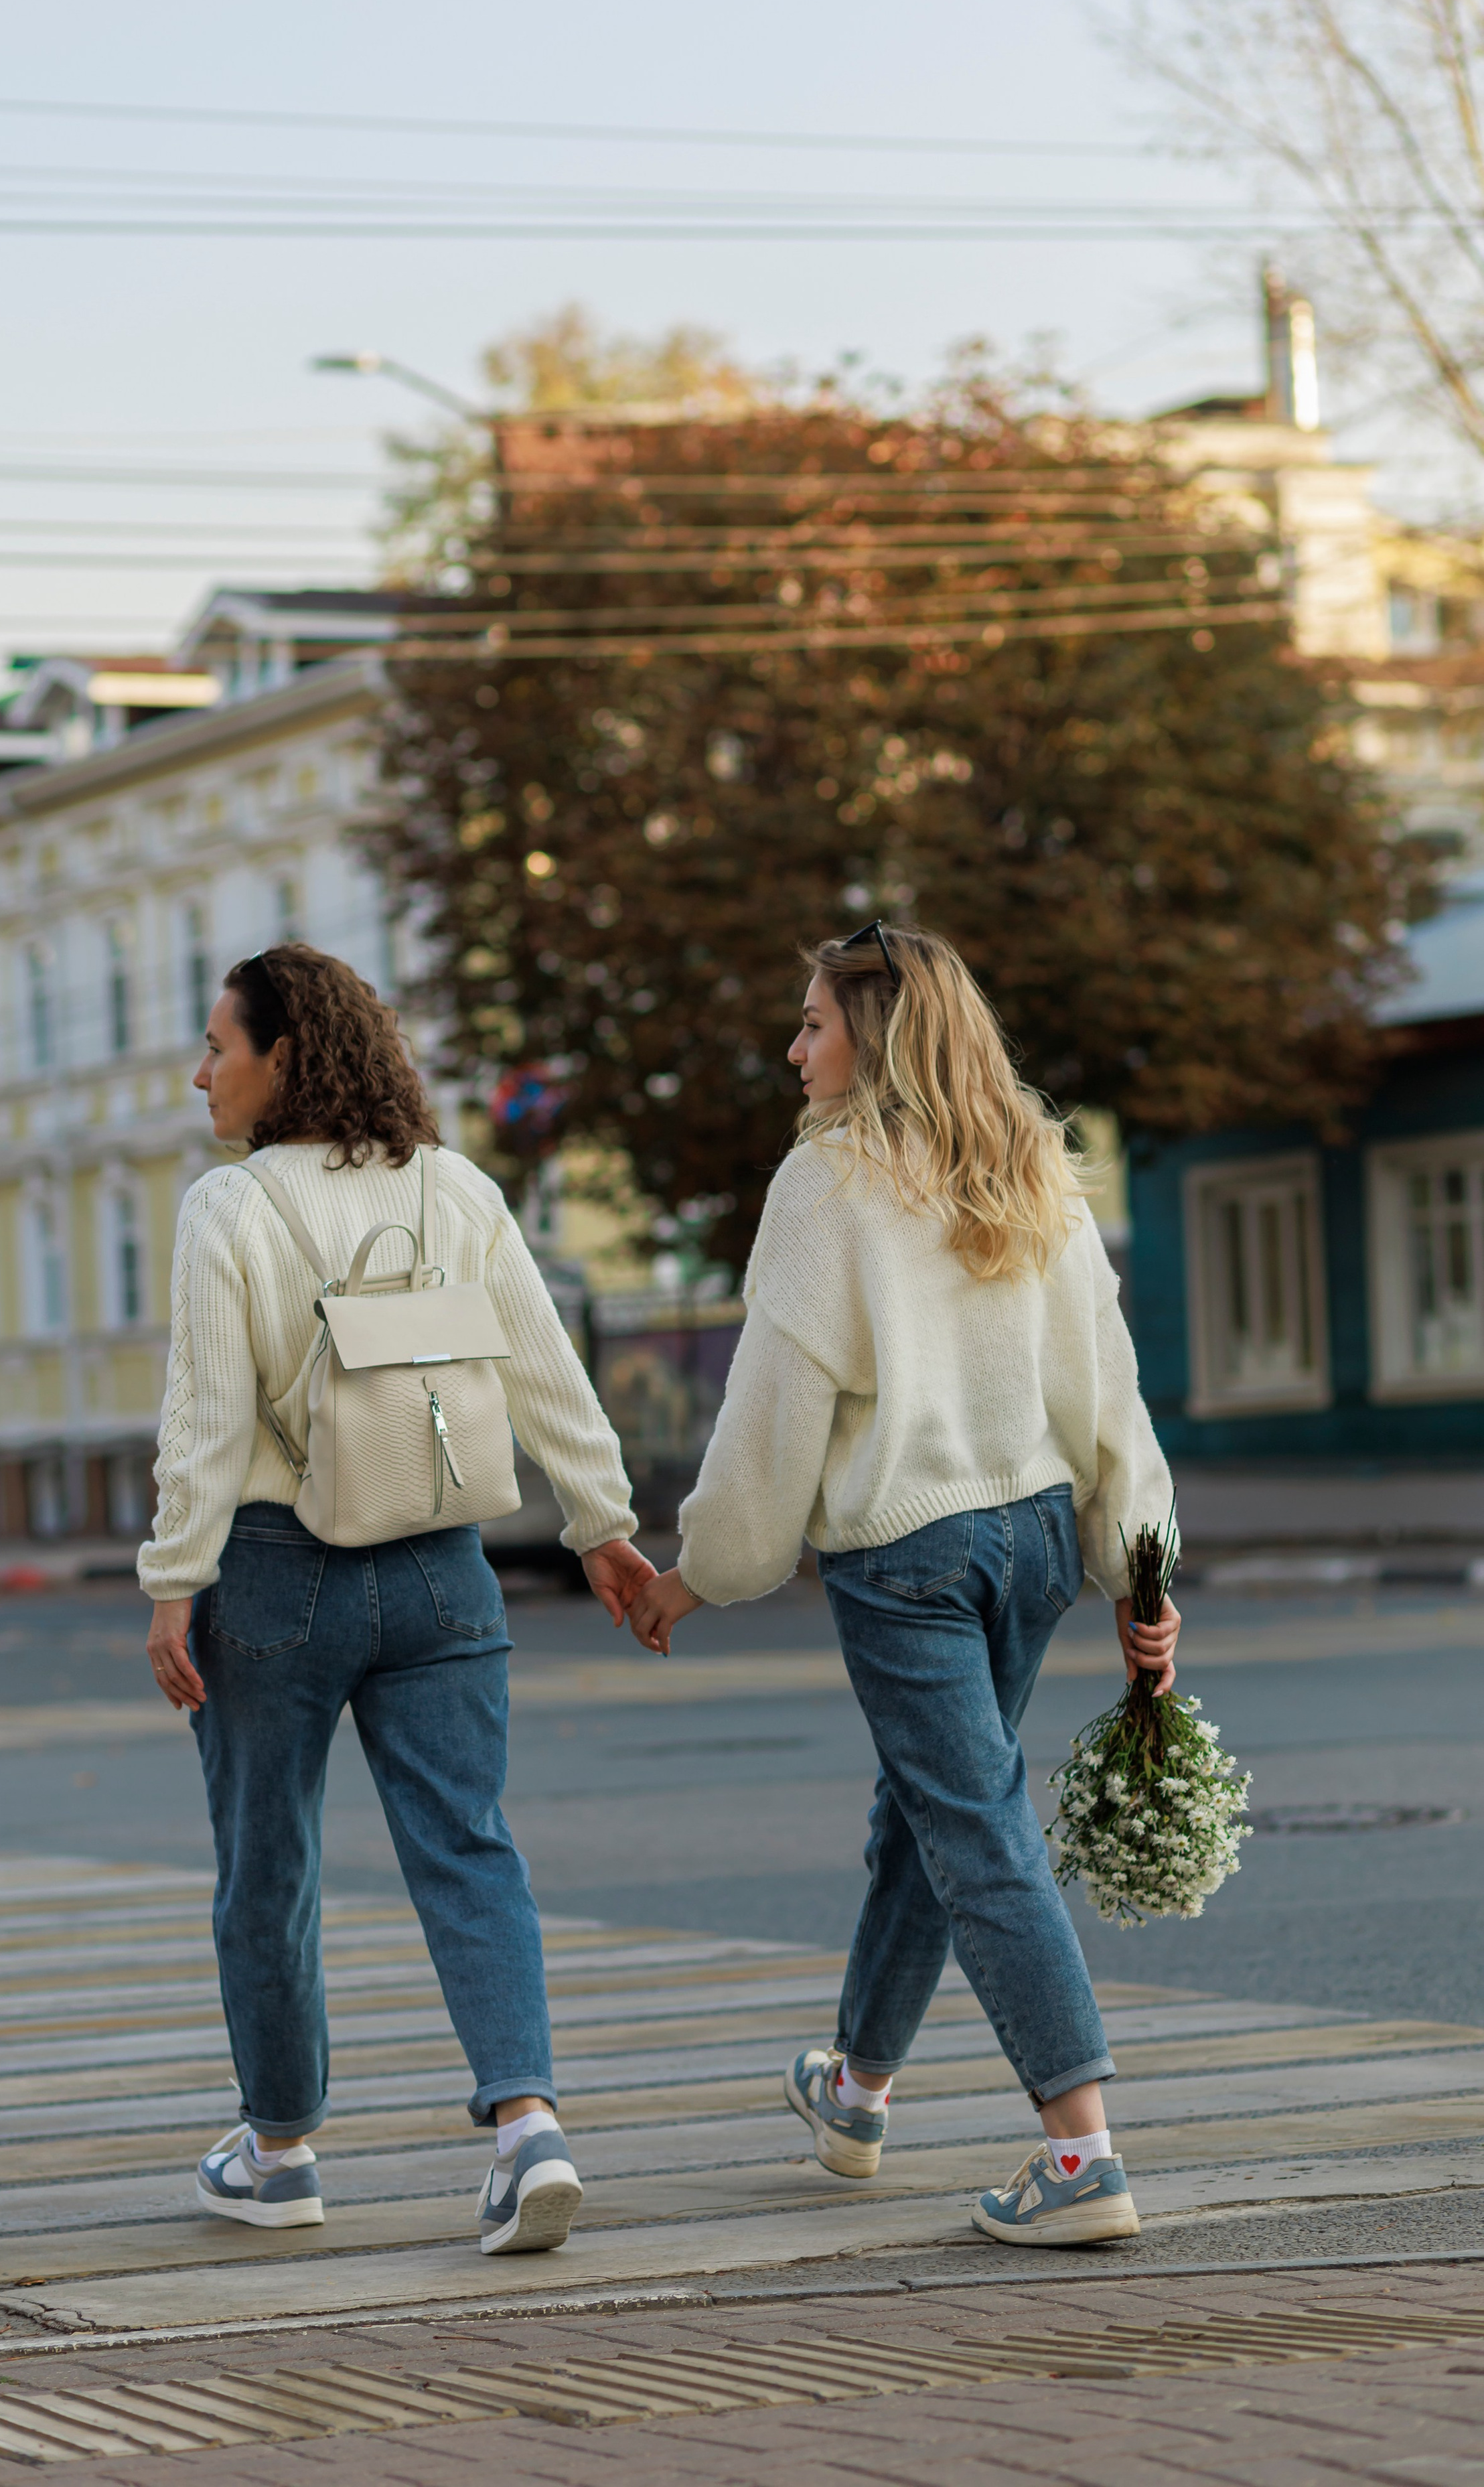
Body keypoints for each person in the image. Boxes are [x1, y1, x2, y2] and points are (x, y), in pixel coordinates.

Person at [627, 923, 1179, 2248]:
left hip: (911, 1554)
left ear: (868, 1036)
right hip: (1037, 1536)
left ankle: (1080, 2154)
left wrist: (691, 1579)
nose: (790, 1048)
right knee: (932, 1814)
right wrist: (1137, 1567)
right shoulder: (1029, 1158)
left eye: (810, 1023)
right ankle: (855, 2089)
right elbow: (1103, 1386)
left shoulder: (828, 1184)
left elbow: (769, 1418)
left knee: (972, 1824)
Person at [139, 944, 653, 2255]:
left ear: (285, 1058)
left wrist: (169, 1583)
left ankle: (279, 2150)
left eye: (219, 1047)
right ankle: (526, 2130)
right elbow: (546, 1376)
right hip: (442, 1564)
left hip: (273, 1567)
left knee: (270, 1866)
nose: (202, 1073)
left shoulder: (230, 1208)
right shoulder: (457, 1188)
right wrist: (599, 1527)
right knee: (469, 1846)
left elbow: (202, 1423)